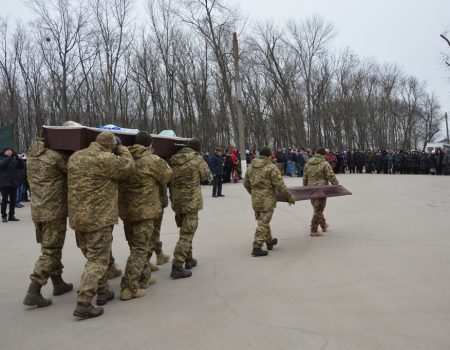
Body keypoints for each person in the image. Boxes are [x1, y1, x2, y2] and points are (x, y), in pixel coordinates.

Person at [68, 132, 134, 318]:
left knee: (92, 254)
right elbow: (128, 167)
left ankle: (103, 290)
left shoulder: (76, 156)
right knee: (98, 259)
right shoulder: (105, 158)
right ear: (110, 146)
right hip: (98, 217)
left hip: (78, 217)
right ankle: (84, 301)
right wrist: (123, 149)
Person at [118, 131, 172, 300]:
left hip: (127, 211)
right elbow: (167, 176)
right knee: (140, 248)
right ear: (149, 145)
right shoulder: (152, 160)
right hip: (145, 212)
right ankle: (129, 287)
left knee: (135, 246)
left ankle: (144, 277)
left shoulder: (125, 159)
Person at [22, 138, 73, 307]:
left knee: (49, 247)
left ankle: (58, 282)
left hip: (38, 209)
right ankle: (33, 290)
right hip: (53, 210)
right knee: (50, 251)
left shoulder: (32, 155)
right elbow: (72, 169)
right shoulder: (54, 157)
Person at [169, 138, 210, 279]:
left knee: (185, 230)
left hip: (177, 202)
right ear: (197, 149)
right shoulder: (197, 160)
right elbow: (206, 175)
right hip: (191, 203)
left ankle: (188, 258)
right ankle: (177, 265)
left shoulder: (173, 159)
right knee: (187, 234)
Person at [243, 147, 295, 257]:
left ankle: (269, 241)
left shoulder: (251, 167)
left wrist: (253, 193)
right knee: (264, 222)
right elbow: (279, 185)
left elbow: (246, 183)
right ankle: (257, 247)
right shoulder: (271, 167)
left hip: (255, 199)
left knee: (262, 221)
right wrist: (289, 197)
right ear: (269, 155)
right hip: (267, 199)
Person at [303, 147, 339, 237]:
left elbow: (305, 178)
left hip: (310, 189)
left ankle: (323, 225)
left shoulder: (308, 164)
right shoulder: (324, 164)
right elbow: (331, 176)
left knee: (317, 208)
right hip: (321, 189)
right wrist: (337, 185)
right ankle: (313, 230)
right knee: (318, 209)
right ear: (323, 155)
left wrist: (305, 188)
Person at [0, 147, 24, 222]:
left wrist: (18, 158)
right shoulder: (1, 158)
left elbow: (22, 167)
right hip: (5, 183)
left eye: (10, 150)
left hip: (14, 182)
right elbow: (2, 165)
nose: (9, 152)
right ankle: (4, 215)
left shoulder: (14, 159)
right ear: (4, 152)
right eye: (7, 151)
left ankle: (11, 215)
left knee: (13, 200)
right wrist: (11, 157)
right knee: (4, 200)